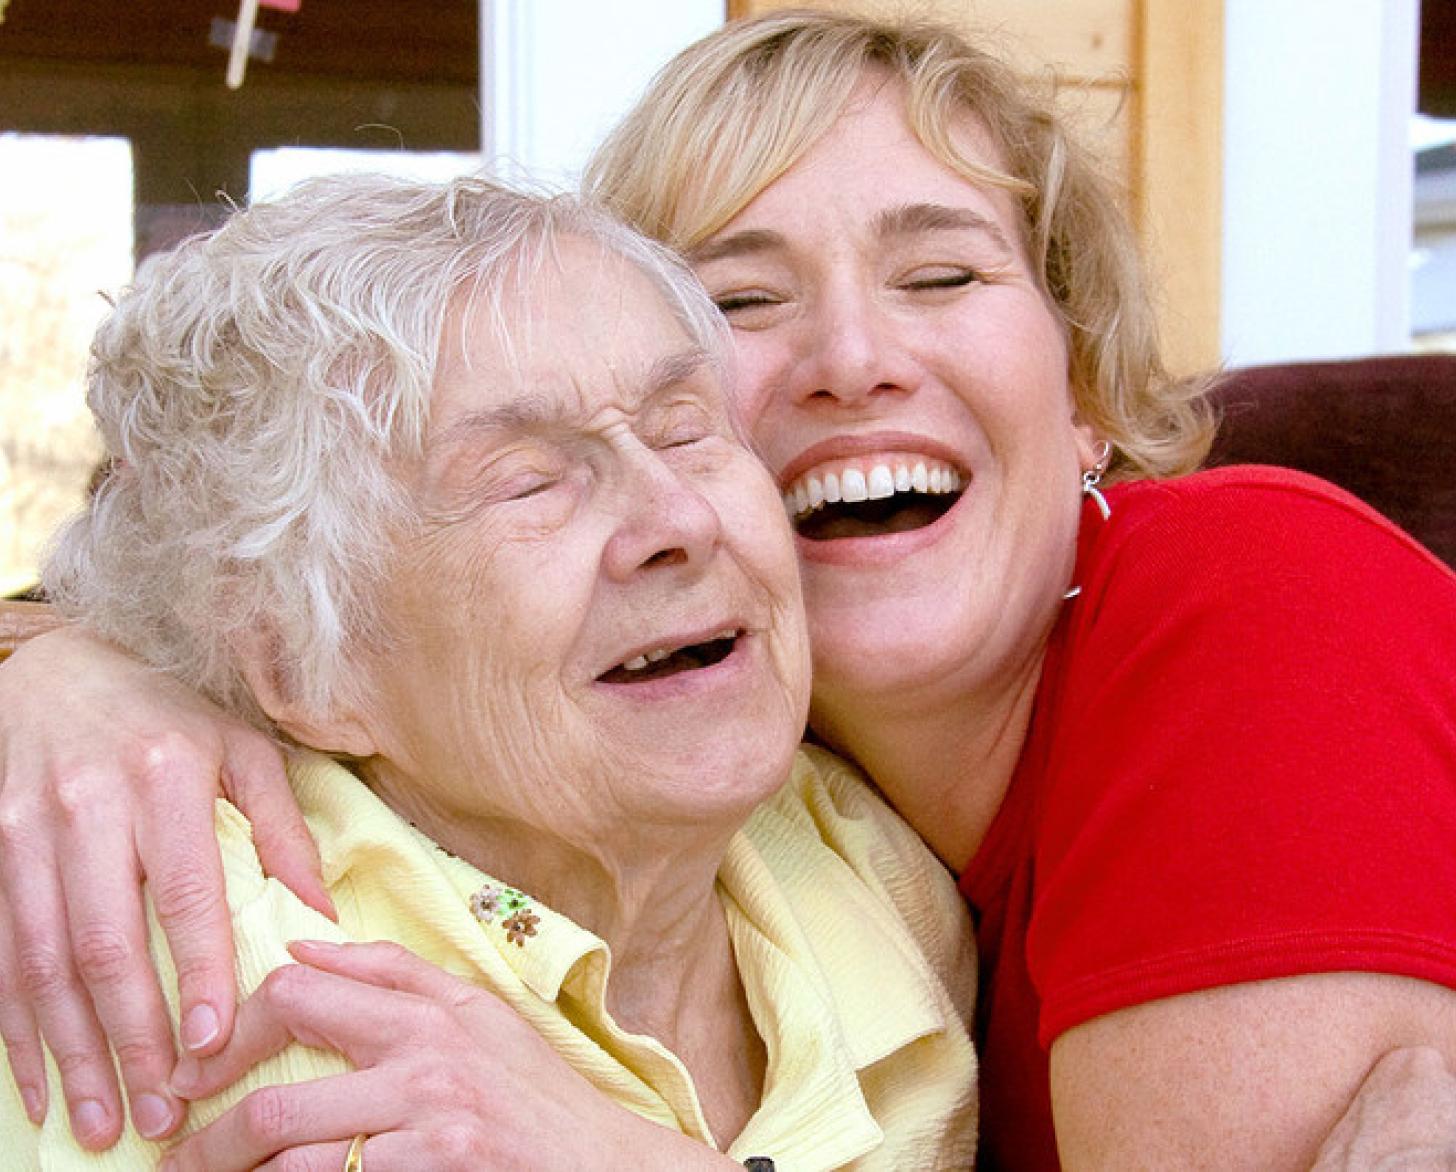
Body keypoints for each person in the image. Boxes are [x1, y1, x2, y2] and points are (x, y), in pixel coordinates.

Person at [3, 9, 1456, 1168]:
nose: (852, 357)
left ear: (1083, 395)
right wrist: (69, 665)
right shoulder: (795, 807)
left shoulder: (1244, 604)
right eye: (743, 304)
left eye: (942, 276)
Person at [0, 171, 979, 1168]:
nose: (678, 518)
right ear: (303, 665)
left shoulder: (864, 862)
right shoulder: (182, 956)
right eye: (527, 480)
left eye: (685, 427)